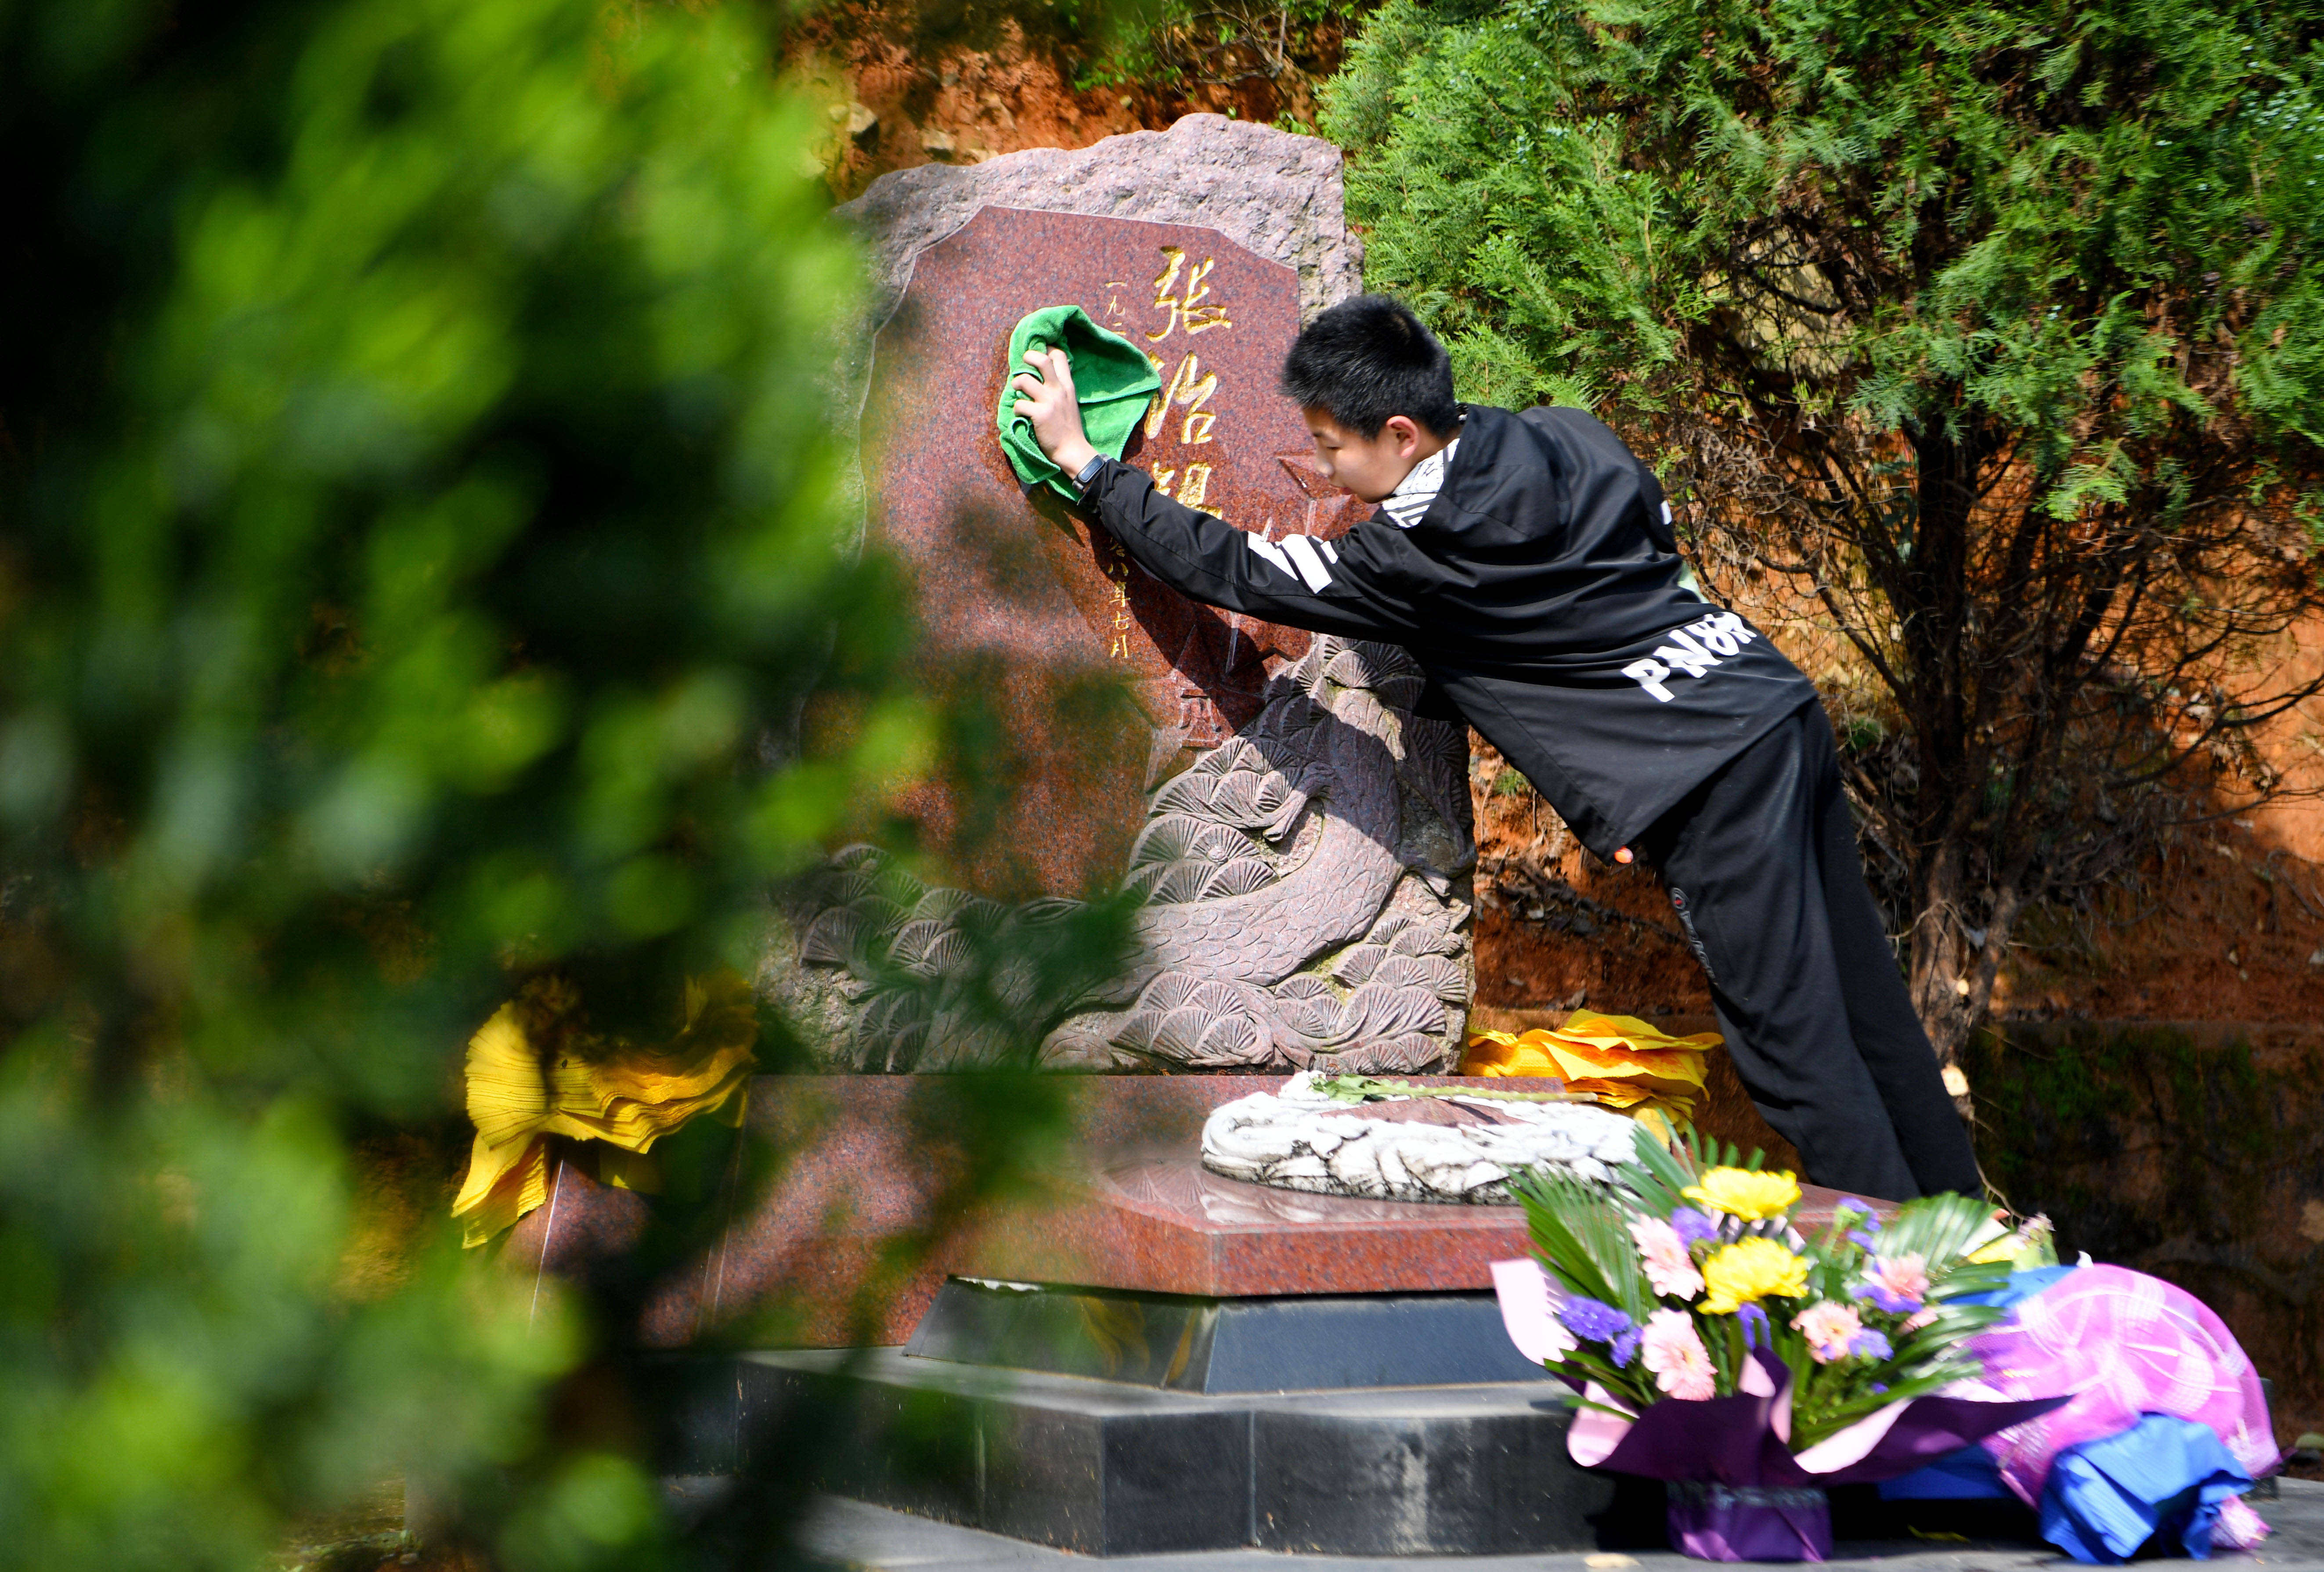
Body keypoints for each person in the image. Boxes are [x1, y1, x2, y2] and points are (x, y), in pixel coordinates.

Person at [1010, 292, 1979, 1202]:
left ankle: (1897, 1307)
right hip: (1768, 702)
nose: (1328, 473)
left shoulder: (1414, 557)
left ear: (1400, 433)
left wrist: (1092, 470)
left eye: (1331, 448)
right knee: (1871, 1012)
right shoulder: (1561, 430)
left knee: (1796, 1053)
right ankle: (1978, 1262)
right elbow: (1646, 530)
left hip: (1707, 776)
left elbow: (1242, 568)